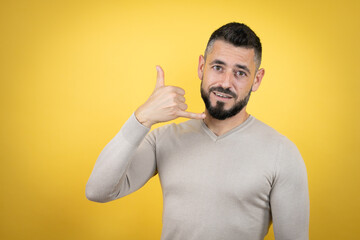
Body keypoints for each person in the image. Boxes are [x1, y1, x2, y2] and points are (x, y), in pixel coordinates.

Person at [86, 22, 310, 240]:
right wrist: (141, 118)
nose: (225, 83)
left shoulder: (282, 153)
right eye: (218, 67)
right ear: (202, 67)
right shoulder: (164, 139)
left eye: (240, 73)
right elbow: (98, 191)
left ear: (257, 80)